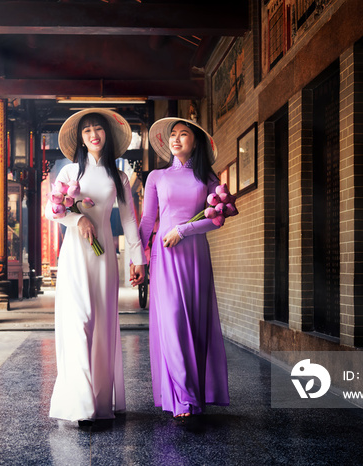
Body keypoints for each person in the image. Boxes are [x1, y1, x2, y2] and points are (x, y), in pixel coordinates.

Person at [46, 108, 146, 424]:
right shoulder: (68, 174)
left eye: (98, 129)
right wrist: (78, 219)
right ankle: (80, 404)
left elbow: (129, 219)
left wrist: (138, 258)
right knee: (77, 321)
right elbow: (52, 212)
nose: (93, 134)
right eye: (87, 130)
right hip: (75, 255)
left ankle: (100, 402)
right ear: (80, 137)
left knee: (101, 325)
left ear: (107, 135)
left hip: (102, 259)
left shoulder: (117, 177)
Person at [137, 117, 231, 418]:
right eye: (173, 135)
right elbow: (148, 221)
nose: (176, 140)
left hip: (195, 257)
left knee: (195, 323)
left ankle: (194, 396)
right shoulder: (157, 177)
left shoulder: (207, 179)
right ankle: (184, 400)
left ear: (196, 141)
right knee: (173, 321)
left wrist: (184, 230)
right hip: (165, 258)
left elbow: (218, 218)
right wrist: (136, 258)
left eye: (184, 134)